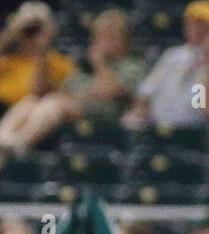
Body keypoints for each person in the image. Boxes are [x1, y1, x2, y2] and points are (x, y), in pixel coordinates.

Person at [0, 8, 142, 155]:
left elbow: (110, 92)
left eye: (112, 35)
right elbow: (53, 90)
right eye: (101, 35)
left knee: (55, 103)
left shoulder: (131, 65)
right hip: (78, 108)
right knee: (32, 100)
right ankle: (3, 139)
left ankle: (20, 144)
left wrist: (99, 63)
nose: (104, 41)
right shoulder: (85, 67)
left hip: (110, 117)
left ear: (125, 40)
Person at [122, 0, 209, 129]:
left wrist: (207, 67)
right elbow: (146, 92)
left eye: (202, 24)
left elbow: (206, 110)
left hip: (193, 131)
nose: (196, 28)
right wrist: (140, 111)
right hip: (156, 126)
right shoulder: (173, 55)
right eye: (191, 23)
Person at [0, 1, 74, 113]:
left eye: (37, 30)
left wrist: (42, 50)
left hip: (30, 115)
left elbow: (37, 93)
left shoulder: (59, 62)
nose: (31, 36)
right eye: (28, 30)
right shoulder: (7, 58)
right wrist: (12, 33)